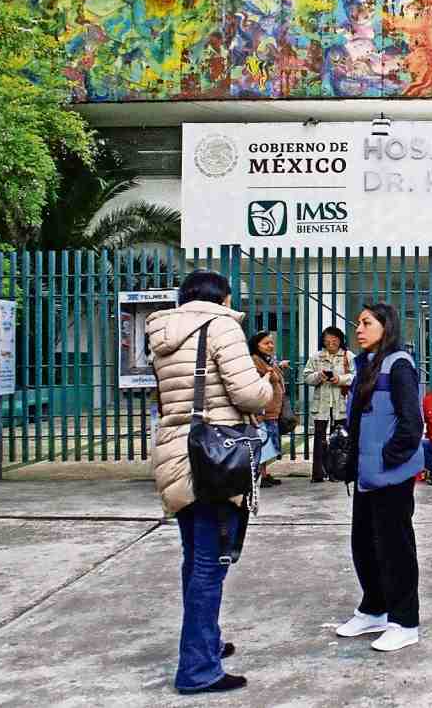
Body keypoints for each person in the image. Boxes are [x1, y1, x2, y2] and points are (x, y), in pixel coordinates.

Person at [146, 269, 272, 695]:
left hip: (175, 450)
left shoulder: (162, 330)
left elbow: (166, 395)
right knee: (209, 563)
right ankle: (198, 668)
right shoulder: (222, 325)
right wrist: (267, 385)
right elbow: (247, 396)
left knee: (194, 555)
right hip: (214, 456)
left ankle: (208, 643)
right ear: (221, 297)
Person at [335, 303, 424, 652]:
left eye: (366, 323)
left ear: (386, 327)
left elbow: (411, 424)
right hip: (366, 473)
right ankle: (374, 608)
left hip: (390, 474)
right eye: (358, 323)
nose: (359, 329)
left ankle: (405, 621)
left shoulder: (399, 364)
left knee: (395, 548)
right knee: (365, 544)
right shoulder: (366, 365)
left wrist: (388, 458)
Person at [303, 326, 356, 482]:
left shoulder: (349, 356)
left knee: (339, 440)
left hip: (341, 403)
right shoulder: (316, 357)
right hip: (322, 405)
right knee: (319, 439)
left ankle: (337, 472)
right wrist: (319, 376)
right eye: (327, 340)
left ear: (340, 340)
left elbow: (356, 376)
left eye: (334, 340)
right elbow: (306, 377)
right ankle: (318, 473)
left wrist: (339, 379)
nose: (331, 343)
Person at [248, 331, 288, 488]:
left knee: (269, 443)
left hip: (273, 409)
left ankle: (264, 473)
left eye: (271, 343)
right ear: (257, 345)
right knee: (263, 442)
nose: (270, 346)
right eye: (266, 343)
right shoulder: (255, 360)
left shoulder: (268, 360)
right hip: (263, 409)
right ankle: (259, 474)